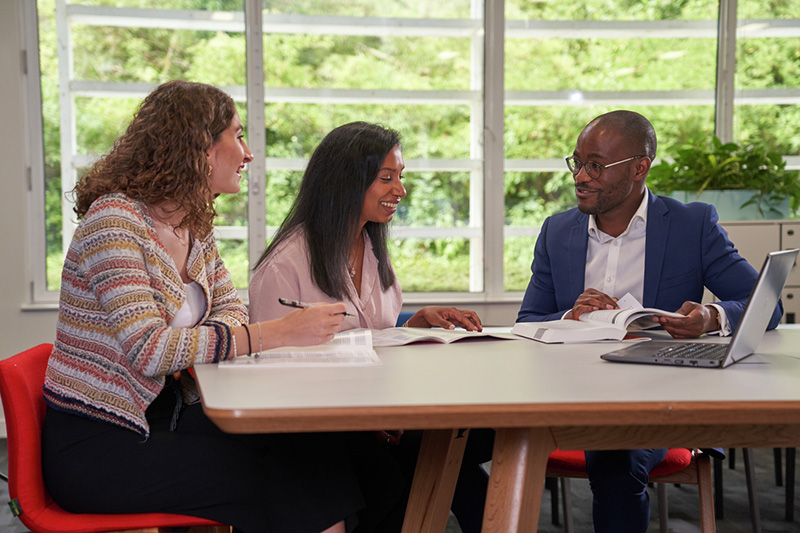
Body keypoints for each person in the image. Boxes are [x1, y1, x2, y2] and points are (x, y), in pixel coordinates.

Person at [41, 80, 368, 533]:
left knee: (313, 453)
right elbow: (150, 349)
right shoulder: (113, 223)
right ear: (199, 148)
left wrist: (199, 342)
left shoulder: (192, 224)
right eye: (237, 135)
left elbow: (230, 310)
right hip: (101, 443)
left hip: (168, 416)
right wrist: (279, 332)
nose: (248, 152)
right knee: (292, 477)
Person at [516, 109, 783, 533]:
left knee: (615, 461)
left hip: (656, 401)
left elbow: (767, 304)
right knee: (497, 450)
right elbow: (528, 321)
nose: (580, 176)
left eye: (596, 166)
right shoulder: (557, 231)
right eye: (577, 162)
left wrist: (710, 317)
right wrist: (571, 315)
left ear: (640, 168)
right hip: (569, 396)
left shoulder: (691, 225)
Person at [248, 121, 493, 532]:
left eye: (401, 177)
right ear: (347, 181)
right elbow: (276, 376)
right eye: (387, 178)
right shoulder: (285, 265)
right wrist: (365, 417)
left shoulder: (371, 247)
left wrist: (412, 324)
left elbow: (369, 333)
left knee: (470, 440)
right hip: (323, 432)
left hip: (380, 417)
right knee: (427, 466)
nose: (401, 190)